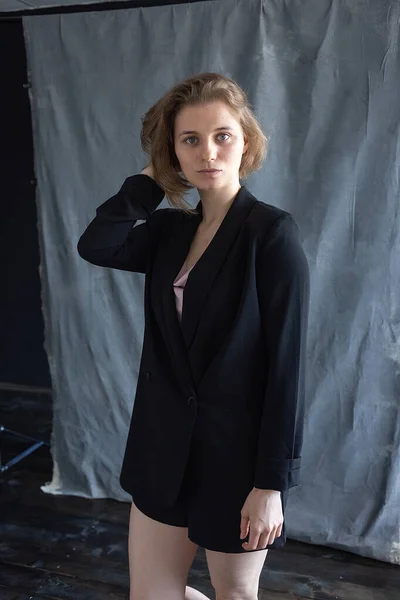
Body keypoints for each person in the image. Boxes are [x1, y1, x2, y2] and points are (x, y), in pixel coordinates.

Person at [77, 72, 310, 600]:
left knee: (234, 596)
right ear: (173, 151)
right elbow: (98, 244)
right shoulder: (168, 230)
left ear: (245, 141)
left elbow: (287, 367)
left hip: (237, 465)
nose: (209, 151)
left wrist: (271, 485)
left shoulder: (271, 234)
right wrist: (149, 181)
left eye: (222, 135)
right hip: (162, 455)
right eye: (190, 140)